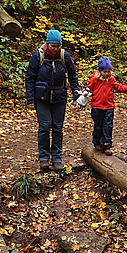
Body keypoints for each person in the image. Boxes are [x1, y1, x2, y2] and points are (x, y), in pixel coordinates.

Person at [25, 29, 79, 171]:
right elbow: (30, 78)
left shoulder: (64, 56)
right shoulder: (38, 56)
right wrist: (30, 99)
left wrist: (76, 94)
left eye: (57, 46)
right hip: (41, 97)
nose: (55, 49)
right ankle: (43, 158)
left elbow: (73, 76)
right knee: (44, 127)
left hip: (60, 96)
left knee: (57, 127)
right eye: (53, 46)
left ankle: (57, 158)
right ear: (47, 44)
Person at [86, 56, 127, 156]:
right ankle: (97, 142)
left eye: (109, 71)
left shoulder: (111, 79)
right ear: (100, 71)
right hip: (97, 106)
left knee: (107, 126)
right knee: (98, 126)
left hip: (109, 106)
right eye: (105, 71)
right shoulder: (94, 79)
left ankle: (107, 145)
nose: (107, 74)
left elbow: (119, 87)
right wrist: (84, 95)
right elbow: (88, 89)